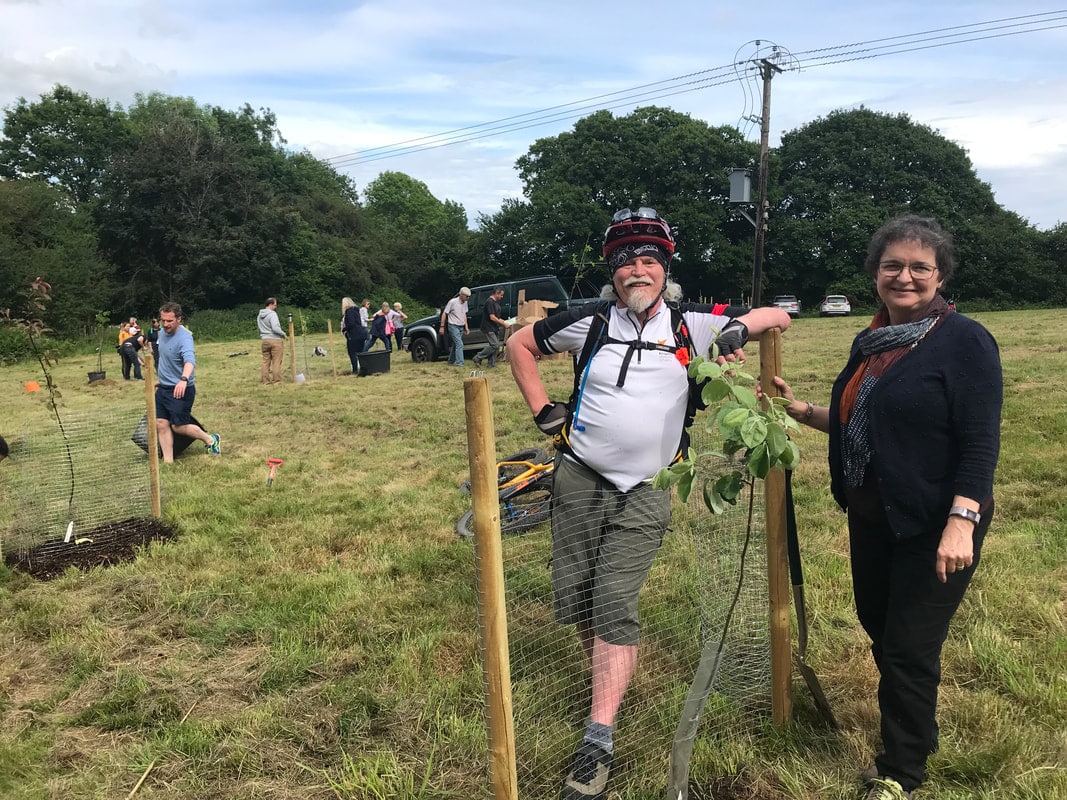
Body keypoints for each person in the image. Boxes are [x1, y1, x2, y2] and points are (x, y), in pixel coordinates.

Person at [508, 207, 791, 800]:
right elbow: (519, 345)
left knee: (614, 599)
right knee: (579, 596)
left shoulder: (694, 325)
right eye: (626, 264)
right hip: (578, 476)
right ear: (613, 275)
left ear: (664, 271)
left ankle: (599, 734)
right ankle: (609, 674)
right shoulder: (586, 322)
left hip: (647, 487)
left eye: (648, 262)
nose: (638, 272)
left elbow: (779, 314)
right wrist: (542, 410)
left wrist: (738, 331)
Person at [763, 215, 1002, 800]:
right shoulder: (871, 339)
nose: (905, 276)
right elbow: (862, 421)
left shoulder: (964, 340)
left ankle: (902, 768)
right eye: (892, 265)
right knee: (880, 629)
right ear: (875, 274)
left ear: (940, 275)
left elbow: (979, 442)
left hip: (935, 523)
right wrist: (808, 414)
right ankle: (919, 731)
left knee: (906, 647)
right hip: (874, 518)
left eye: (920, 267)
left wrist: (961, 522)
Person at [154, 302, 221, 462]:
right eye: (163, 320)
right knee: (161, 423)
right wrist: (162, 379)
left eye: (169, 321)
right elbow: (166, 358)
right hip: (164, 388)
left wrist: (183, 380)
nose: (165, 324)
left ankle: (211, 439)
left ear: (179, 319)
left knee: (178, 426)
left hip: (181, 389)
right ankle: (168, 461)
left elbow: (189, 361)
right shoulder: (161, 333)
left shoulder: (185, 337)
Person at [472, 286, 508, 368]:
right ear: (496, 293)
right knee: (494, 345)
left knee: (496, 346)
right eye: (501, 295)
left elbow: (497, 317)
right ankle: (477, 357)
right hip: (488, 327)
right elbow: (492, 317)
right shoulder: (489, 302)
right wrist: (503, 324)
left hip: (494, 327)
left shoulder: (496, 302)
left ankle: (491, 364)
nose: (502, 297)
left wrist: (505, 322)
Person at [257, 297, 286, 384]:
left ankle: (265, 380)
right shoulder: (272, 314)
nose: (275, 307)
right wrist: (283, 334)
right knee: (276, 361)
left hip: (264, 340)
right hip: (275, 340)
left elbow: (259, 328)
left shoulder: (259, 315)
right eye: (275, 305)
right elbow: (275, 328)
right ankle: (276, 380)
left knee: (266, 361)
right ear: (270, 304)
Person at [439, 287, 471, 367]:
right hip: (453, 325)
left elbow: (464, 314)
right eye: (466, 296)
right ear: (461, 295)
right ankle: (460, 363)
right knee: (459, 344)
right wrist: (442, 326)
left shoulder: (465, 303)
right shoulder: (452, 302)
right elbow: (444, 313)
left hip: (461, 326)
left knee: (455, 345)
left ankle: (450, 361)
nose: (468, 298)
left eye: (468, 296)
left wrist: (466, 327)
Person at [341, 297, 367, 374]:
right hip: (361, 333)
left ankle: (355, 370)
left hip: (353, 334)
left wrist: (345, 329)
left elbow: (351, 324)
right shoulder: (356, 311)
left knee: (352, 352)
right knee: (360, 352)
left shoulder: (349, 312)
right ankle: (363, 368)